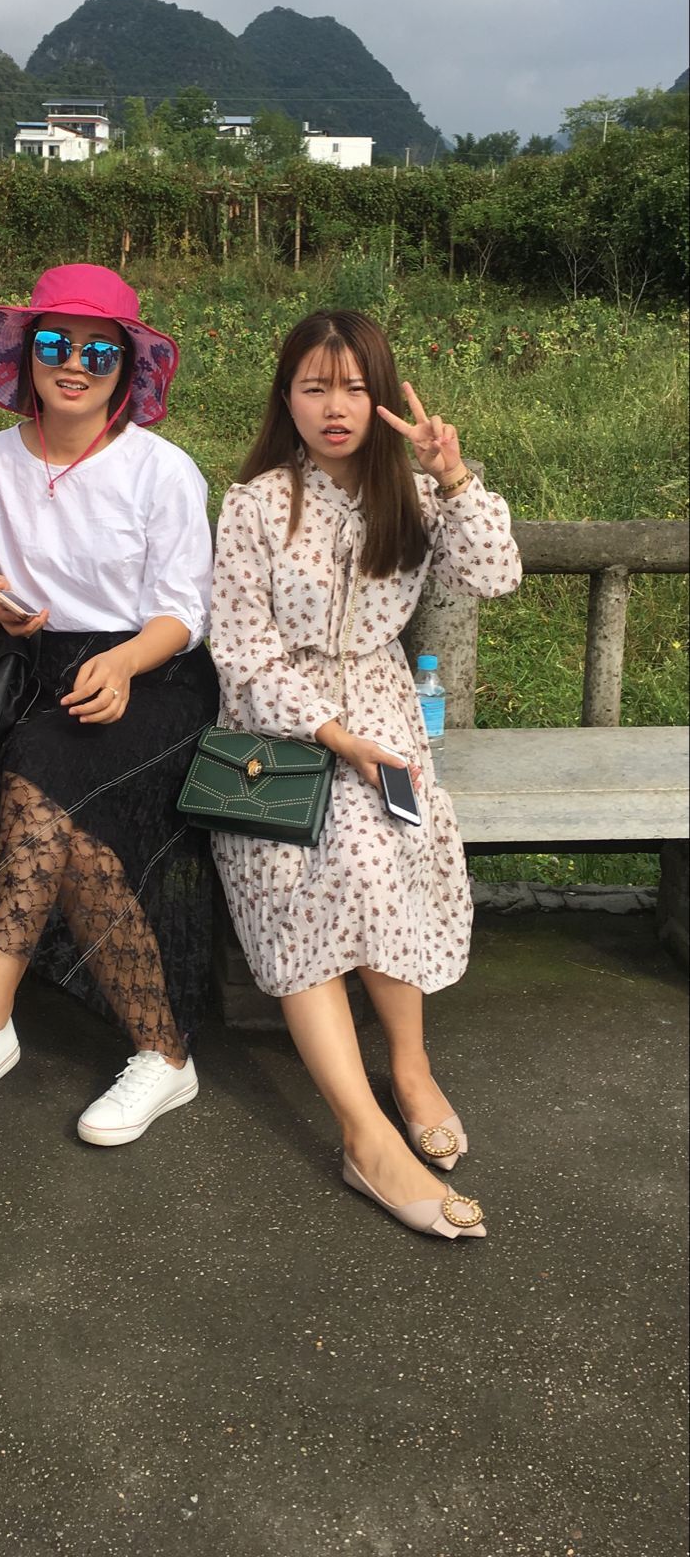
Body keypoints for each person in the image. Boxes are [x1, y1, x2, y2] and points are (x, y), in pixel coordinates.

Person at [209, 309, 521, 1239]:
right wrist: (335, 738)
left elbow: (495, 575)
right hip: (275, 730)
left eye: (352, 387)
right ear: (286, 398)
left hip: (385, 711)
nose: (334, 407)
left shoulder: (413, 498)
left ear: (381, 396)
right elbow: (242, 651)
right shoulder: (257, 502)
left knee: (390, 842)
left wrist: (452, 475)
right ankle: (363, 1132)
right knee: (318, 857)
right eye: (313, 387)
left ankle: (410, 1066)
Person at [0, 264, 218, 1145]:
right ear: (25, 354)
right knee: (65, 818)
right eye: (54, 343)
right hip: (29, 671)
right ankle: (163, 1054)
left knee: (39, 771)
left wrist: (123, 663)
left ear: (127, 369)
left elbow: (183, 611)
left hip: (150, 677)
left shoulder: (162, 471)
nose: (73, 364)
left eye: (98, 352)